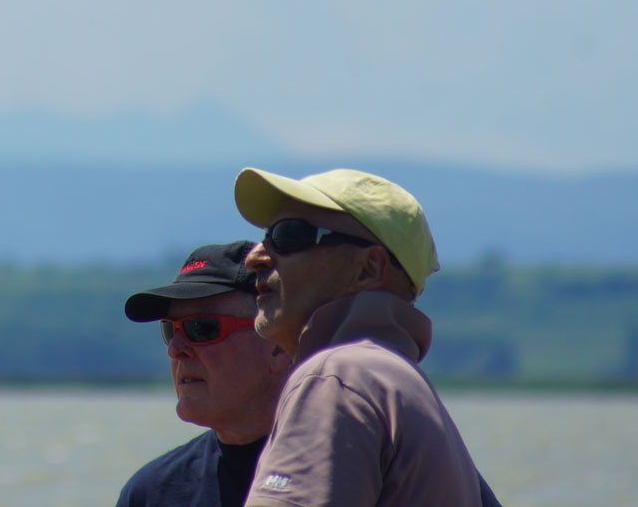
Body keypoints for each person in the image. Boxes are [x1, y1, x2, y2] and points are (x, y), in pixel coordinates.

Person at [234, 166, 492, 507]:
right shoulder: (400, 385)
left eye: (288, 235)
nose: (254, 257)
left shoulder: (337, 377)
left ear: (368, 269)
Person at [115, 240, 294, 507]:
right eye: (170, 330)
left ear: (278, 346)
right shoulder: (150, 494)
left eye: (202, 328)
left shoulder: (346, 473)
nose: (176, 349)